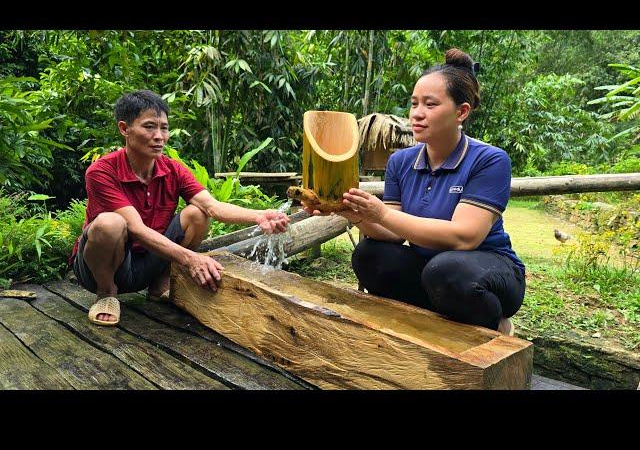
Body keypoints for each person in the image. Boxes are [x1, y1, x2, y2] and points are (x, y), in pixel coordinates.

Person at [306, 49, 525, 336]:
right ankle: (433, 323)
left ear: (461, 112)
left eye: (430, 104)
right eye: (414, 103)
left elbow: (465, 236)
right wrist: (351, 213)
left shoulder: (490, 160)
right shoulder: (401, 161)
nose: (417, 113)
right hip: (433, 266)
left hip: (488, 269)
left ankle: (495, 325)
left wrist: (381, 212)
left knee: (445, 271)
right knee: (369, 255)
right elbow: (393, 231)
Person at [71, 90, 290, 326]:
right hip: (100, 269)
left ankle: (161, 283)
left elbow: (212, 206)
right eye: (149, 127)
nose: (159, 136)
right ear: (124, 129)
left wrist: (260, 215)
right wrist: (191, 259)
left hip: (149, 261)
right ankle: (106, 294)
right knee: (109, 223)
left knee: (198, 213)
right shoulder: (101, 172)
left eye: (164, 128)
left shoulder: (172, 169)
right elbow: (134, 228)